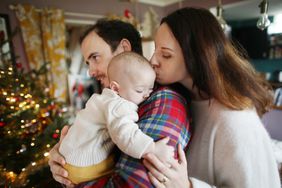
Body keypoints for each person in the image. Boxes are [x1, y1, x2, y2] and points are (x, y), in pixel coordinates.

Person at [142, 7, 281, 188]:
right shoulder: (179, 99)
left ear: (197, 56)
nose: (153, 60)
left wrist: (188, 186)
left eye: (166, 54)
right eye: (156, 50)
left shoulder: (235, 120)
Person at [48, 19, 191, 187]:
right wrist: (64, 157)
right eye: (88, 62)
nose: (91, 71)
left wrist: (76, 182)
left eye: (95, 57)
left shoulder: (162, 101)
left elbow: (131, 184)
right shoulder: (114, 98)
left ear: (123, 48)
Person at [59, 51, 174, 184]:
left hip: (70, 157)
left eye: (150, 89)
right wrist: (152, 148)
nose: (146, 95)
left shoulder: (104, 98)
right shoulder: (119, 105)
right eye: (139, 90)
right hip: (83, 166)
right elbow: (125, 135)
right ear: (115, 88)